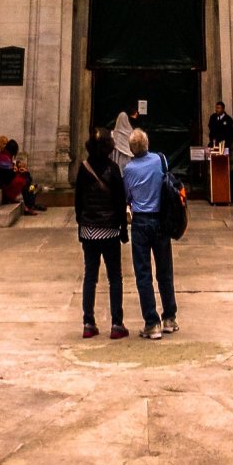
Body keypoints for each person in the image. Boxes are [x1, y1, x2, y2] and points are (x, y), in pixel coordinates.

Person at [73, 128, 129, 339]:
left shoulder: (83, 168)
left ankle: (88, 322)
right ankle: (116, 324)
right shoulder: (113, 169)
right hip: (109, 231)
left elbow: (78, 202)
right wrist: (123, 230)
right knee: (115, 277)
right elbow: (120, 201)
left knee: (90, 276)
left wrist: (82, 225)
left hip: (89, 230)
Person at [122, 134, 178, 337]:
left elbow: (127, 196)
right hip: (161, 220)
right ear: (148, 144)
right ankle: (169, 318)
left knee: (143, 273)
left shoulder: (128, 170)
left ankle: (152, 323)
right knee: (165, 270)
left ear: (130, 149)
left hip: (140, 223)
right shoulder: (159, 159)